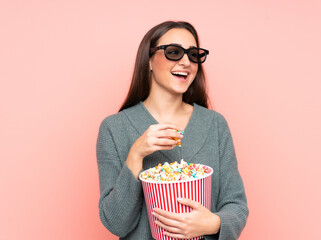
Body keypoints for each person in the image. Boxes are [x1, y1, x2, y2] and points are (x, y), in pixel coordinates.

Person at [96, 21, 249, 240]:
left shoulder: (215, 124)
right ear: (148, 60)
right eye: (174, 52)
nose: (186, 62)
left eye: (194, 54)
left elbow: (237, 205)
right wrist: (136, 154)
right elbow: (115, 223)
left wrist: (212, 223)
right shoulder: (114, 128)